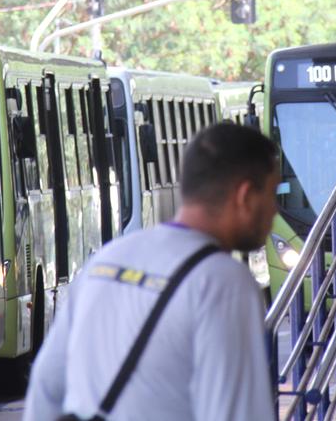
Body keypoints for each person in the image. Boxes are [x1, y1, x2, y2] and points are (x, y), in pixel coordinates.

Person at [24, 123, 278, 421]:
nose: (274, 209)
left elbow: (45, 386)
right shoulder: (224, 282)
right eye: (273, 193)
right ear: (245, 195)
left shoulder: (107, 260)